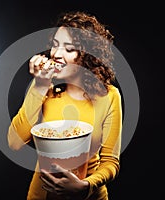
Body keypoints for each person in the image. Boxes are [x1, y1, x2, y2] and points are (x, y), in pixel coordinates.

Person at [7, 11, 123, 200]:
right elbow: (14, 143)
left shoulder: (109, 96)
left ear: (87, 56)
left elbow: (111, 161)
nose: (56, 54)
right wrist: (40, 86)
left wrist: (86, 186)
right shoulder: (43, 87)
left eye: (69, 49)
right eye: (55, 45)